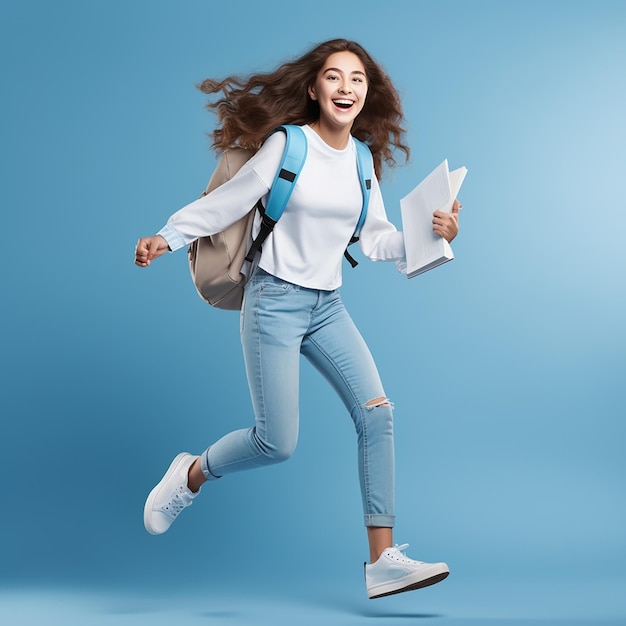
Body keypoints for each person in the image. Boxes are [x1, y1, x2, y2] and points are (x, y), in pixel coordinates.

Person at [134, 38, 460, 600]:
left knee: (377, 413)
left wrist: (433, 235)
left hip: (326, 306)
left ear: (366, 93)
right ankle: (190, 473)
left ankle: (382, 559)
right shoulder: (289, 145)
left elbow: (377, 238)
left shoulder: (361, 159)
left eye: (356, 79)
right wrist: (166, 237)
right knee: (276, 443)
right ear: (314, 88)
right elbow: (230, 202)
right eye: (334, 77)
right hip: (274, 302)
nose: (346, 87)